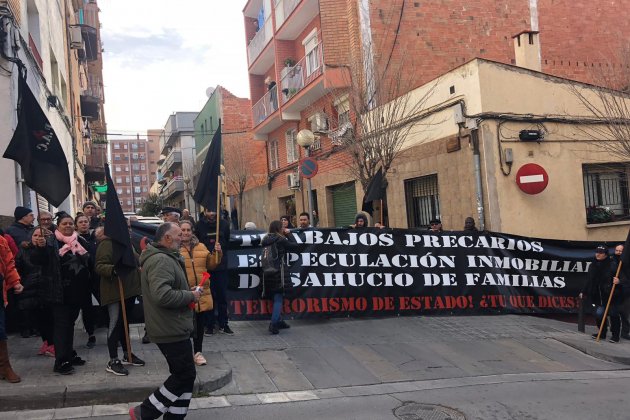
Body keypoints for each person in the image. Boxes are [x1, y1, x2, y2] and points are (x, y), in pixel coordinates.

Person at [130, 222, 201, 420]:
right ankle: (145, 411)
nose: (183, 238)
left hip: (174, 326)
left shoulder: (166, 257)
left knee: (186, 376)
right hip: (169, 328)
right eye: (179, 235)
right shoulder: (161, 260)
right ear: (167, 238)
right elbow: (162, 295)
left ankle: (174, 417)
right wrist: (190, 296)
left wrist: (189, 293)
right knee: (184, 376)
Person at [32, 212, 91, 374]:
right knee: (61, 326)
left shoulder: (79, 241)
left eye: (71, 223)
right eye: (64, 224)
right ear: (58, 226)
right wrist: (40, 247)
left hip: (77, 292)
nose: (68, 226)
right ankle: (61, 361)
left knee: (70, 325)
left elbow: (88, 260)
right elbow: (37, 260)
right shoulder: (51, 242)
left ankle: (69, 354)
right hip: (59, 292)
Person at [95, 219, 144, 376]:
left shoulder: (127, 243)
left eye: (129, 227)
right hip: (115, 291)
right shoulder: (106, 244)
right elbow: (100, 265)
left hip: (129, 290)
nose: (128, 230)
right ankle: (113, 359)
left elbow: (137, 260)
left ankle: (127, 354)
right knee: (115, 324)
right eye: (126, 227)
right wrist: (115, 270)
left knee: (125, 324)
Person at [179, 220, 222, 366]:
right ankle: (184, 354)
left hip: (201, 294)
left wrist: (217, 252)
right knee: (184, 327)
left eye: (188, 230)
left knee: (199, 326)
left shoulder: (201, 246)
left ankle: (198, 353)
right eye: (183, 230)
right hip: (183, 294)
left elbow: (212, 265)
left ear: (192, 231)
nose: (185, 233)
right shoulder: (173, 249)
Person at [16, 229, 55, 357]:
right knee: (39, 319)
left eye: (40, 235)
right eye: (35, 235)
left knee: (50, 318)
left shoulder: (49, 249)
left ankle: (52, 343)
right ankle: (46, 342)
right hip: (30, 289)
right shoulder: (24, 250)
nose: (38, 237)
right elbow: (18, 268)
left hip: (47, 289)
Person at [196, 209, 233, 335]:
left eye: (213, 211)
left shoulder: (224, 224)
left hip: (221, 267)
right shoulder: (199, 226)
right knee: (208, 297)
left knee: (222, 297)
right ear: (204, 212)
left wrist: (220, 250)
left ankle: (224, 324)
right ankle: (209, 325)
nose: (211, 214)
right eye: (208, 211)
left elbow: (227, 242)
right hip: (206, 268)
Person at [579, 245, 621, 342]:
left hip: (611, 294)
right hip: (597, 295)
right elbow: (589, 280)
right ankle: (602, 333)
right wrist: (583, 291)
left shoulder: (612, 264)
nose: (598, 254)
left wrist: (618, 281)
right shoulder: (593, 265)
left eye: (601, 253)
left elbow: (621, 277)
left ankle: (615, 336)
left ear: (605, 254)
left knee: (614, 314)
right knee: (599, 314)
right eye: (597, 252)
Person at [261, 220, 294, 334]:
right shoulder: (280, 239)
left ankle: (279, 320)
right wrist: (289, 234)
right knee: (279, 296)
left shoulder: (265, 239)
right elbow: (295, 246)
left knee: (275, 296)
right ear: (279, 229)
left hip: (267, 271)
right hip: (279, 271)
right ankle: (274, 323)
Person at [0, 235, 24, 383]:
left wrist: (15, 281)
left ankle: (4, 366)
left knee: (0, 330)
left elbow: (9, 262)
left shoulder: (1, 241)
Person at [76, 214, 98, 348]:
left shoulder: (96, 237)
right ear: (76, 224)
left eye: (86, 222)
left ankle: (113, 334)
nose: (84, 224)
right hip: (82, 278)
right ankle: (91, 334)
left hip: (96, 276)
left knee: (105, 305)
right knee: (86, 308)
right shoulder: (73, 239)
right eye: (80, 222)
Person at [613, 244, 630, 340]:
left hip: (626, 291)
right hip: (614, 291)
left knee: (625, 313)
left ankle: (625, 332)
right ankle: (614, 331)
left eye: (621, 251)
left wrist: (620, 281)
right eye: (617, 250)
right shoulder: (612, 261)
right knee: (613, 312)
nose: (618, 253)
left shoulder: (627, 264)